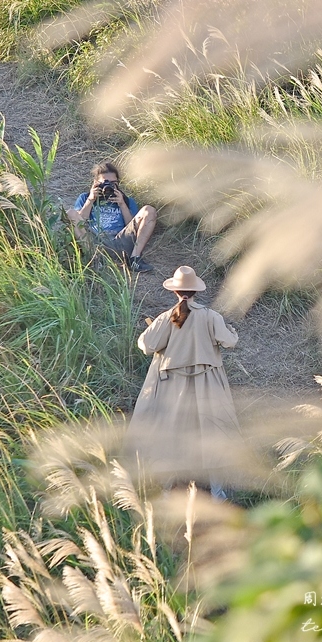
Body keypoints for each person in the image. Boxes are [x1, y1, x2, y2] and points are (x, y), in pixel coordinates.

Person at [126, 266, 241, 499]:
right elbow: (229, 342)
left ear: (175, 292)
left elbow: (146, 345)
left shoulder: (166, 317)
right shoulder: (211, 316)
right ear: (195, 291)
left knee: (169, 434)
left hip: (171, 386)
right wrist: (233, 332)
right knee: (214, 431)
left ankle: (167, 493)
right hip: (207, 384)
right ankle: (219, 493)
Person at [67, 161, 157, 273]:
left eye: (113, 183)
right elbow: (80, 223)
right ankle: (95, 260)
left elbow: (133, 228)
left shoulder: (127, 200)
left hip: (120, 240)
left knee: (149, 210)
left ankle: (135, 259)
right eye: (105, 182)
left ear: (118, 183)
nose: (109, 186)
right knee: (71, 213)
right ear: (96, 183)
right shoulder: (85, 198)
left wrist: (122, 204)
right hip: (96, 242)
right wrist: (91, 200)